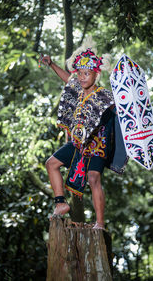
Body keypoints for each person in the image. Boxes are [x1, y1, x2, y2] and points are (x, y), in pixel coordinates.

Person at [40, 38, 118, 230]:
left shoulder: (104, 95)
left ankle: (100, 223)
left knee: (93, 178)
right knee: (51, 164)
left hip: (98, 145)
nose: (82, 77)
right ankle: (61, 203)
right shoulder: (77, 88)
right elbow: (66, 78)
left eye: (87, 73)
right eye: (80, 73)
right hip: (78, 144)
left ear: (96, 74)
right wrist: (51, 64)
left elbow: (118, 110)